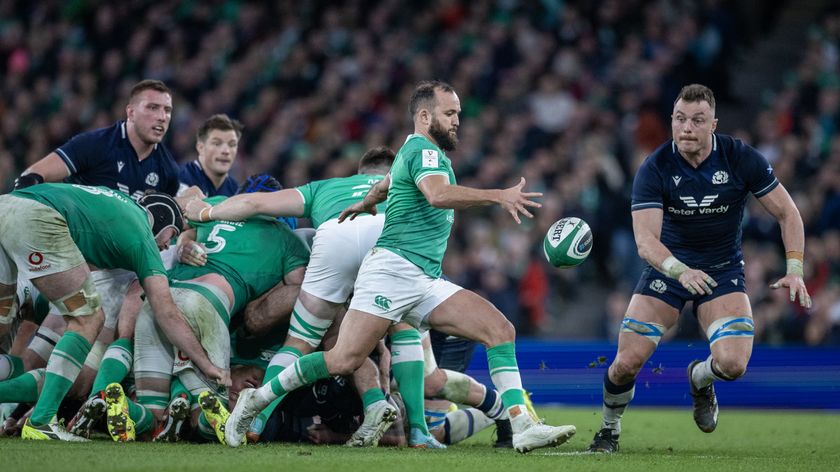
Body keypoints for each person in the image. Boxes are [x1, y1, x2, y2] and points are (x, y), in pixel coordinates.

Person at [223, 80, 576, 453]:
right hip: (391, 273)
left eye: (458, 113)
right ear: (425, 116)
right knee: (344, 360)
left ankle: (521, 424)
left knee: (500, 329)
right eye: (450, 113)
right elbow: (438, 195)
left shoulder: (410, 148)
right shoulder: (426, 153)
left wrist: (364, 204)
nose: (458, 121)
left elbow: (386, 185)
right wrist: (497, 195)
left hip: (422, 278)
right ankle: (256, 401)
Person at [588, 84, 812, 453]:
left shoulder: (741, 157)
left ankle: (699, 377)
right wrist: (680, 271)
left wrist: (794, 267)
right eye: (679, 119)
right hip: (667, 269)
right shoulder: (655, 167)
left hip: (722, 271)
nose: (686, 128)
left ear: (714, 125)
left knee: (733, 364)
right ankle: (608, 430)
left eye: (697, 120)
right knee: (625, 363)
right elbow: (645, 242)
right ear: (671, 122)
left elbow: (788, 213)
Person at [0, 183, 226, 441]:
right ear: (161, 224)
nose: (166, 245)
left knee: (4, 329)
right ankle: (41, 421)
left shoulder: (120, 204)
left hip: (7, 205)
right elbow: (167, 313)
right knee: (87, 321)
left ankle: (28, 414)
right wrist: (206, 363)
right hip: (36, 221)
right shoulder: (143, 239)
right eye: (170, 236)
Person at [16, 79, 179, 201]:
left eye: (167, 110)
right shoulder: (95, 144)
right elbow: (32, 176)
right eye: (152, 107)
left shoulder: (168, 169)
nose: (162, 117)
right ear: (131, 113)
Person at [177, 114, 243, 198]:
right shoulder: (181, 178)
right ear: (201, 147)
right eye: (217, 143)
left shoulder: (235, 191)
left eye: (232, 144)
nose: (226, 151)